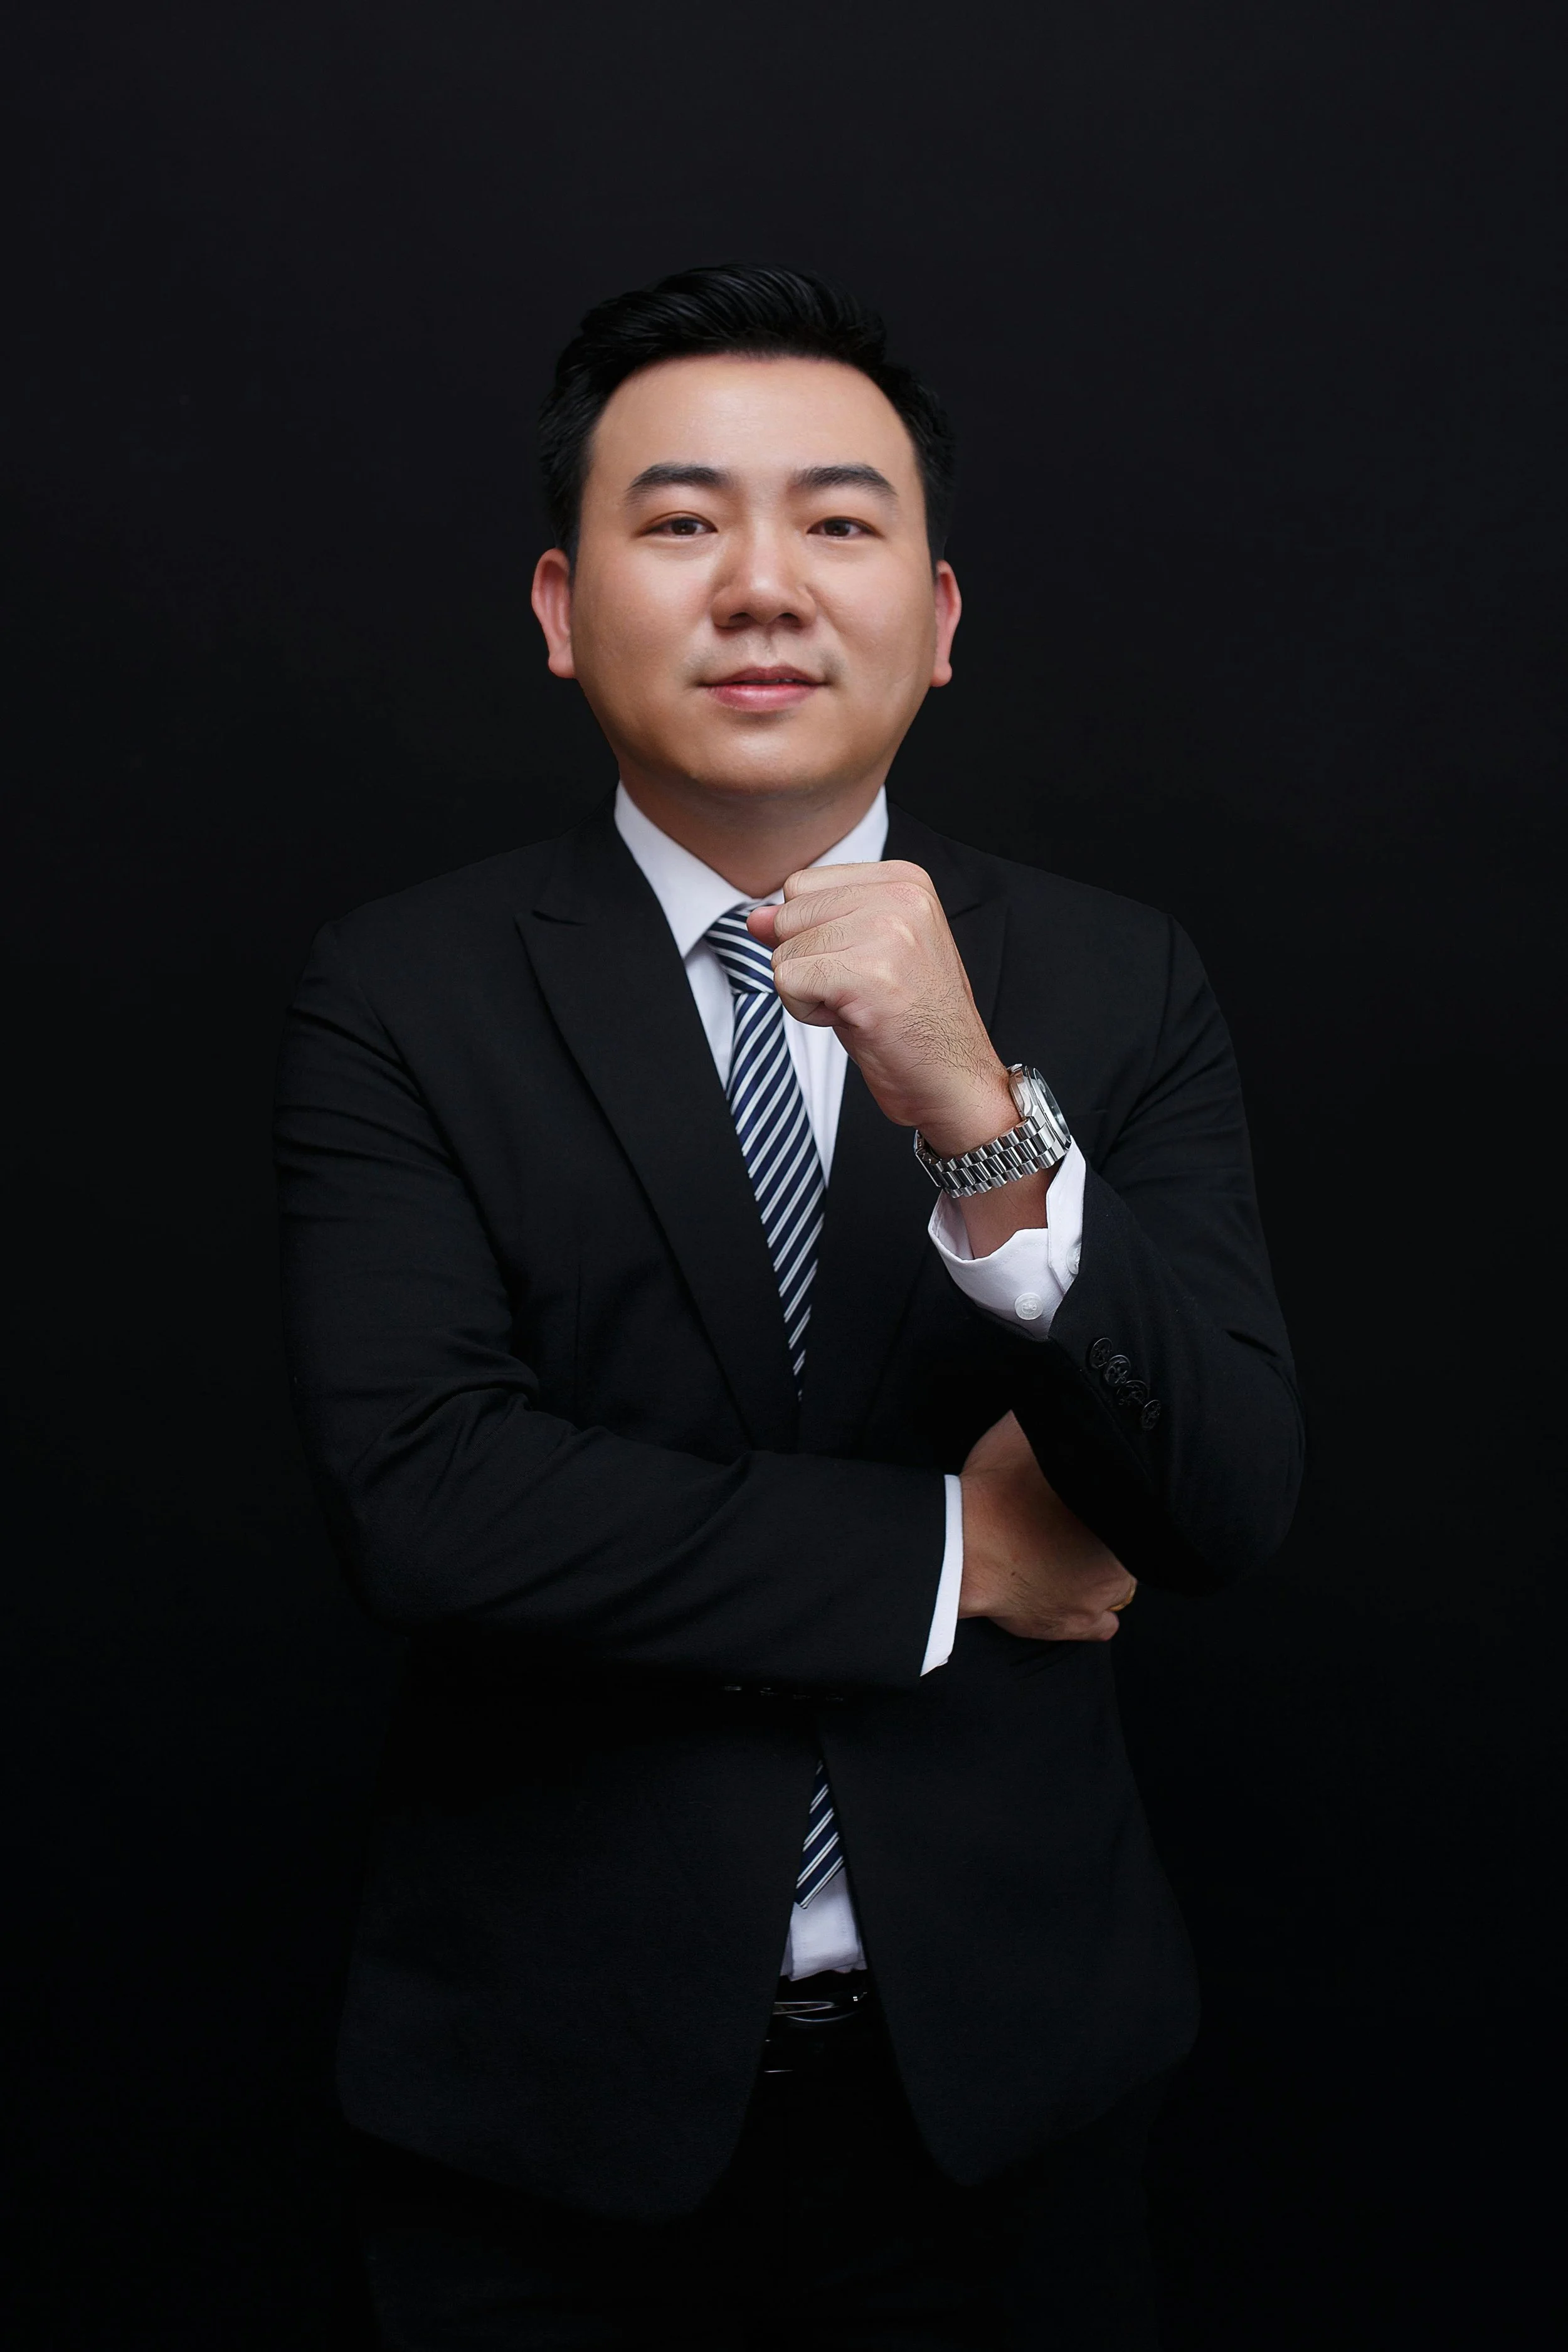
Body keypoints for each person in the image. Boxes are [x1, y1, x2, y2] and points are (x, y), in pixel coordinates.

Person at [275, 262, 1301, 2348]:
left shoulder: (1117, 978)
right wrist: (957, 1550)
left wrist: (972, 1112)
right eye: (680, 522)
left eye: (838, 523)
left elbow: (1221, 1499)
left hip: (1008, 2113)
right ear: (562, 610)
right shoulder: (403, 990)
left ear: (932, 620)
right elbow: (429, 1496)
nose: (761, 586)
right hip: (538, 2119)